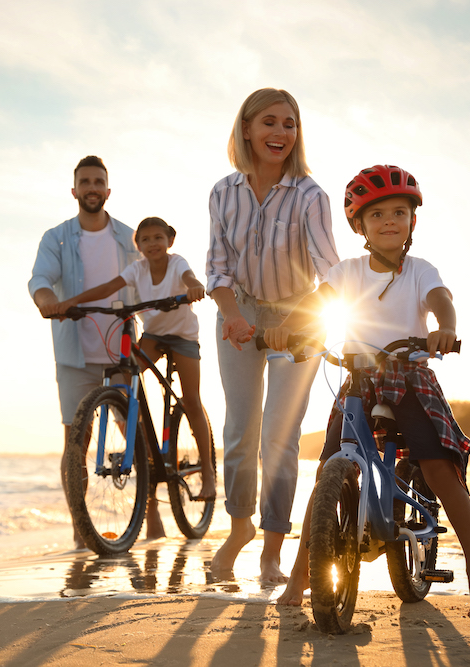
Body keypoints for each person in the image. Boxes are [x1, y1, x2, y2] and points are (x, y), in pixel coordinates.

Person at [262, 164, 470, 617]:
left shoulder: (420, 270)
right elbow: (316, 303)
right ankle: (300, 572)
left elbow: (439, 299)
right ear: (360, 226)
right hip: (359, 379)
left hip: (409, 377)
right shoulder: (347, 271)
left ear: (412, 221)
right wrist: (287, 328)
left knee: (437, 466)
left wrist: (445, 328)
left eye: (398, 212)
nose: (389, 221)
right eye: (376, 215)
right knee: (330, 467)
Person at [206, 88, 340, 583]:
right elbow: (217, 266)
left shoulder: (311, 195)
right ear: (246, 129)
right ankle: (239, 529)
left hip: (301, 312)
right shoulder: (222, 192)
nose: (280, 132)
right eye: (269, 122)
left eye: (289, 124)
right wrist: (231, 315)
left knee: (279, 437)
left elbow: (331, 274)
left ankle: (271, 551)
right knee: (241, 431)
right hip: (236, 307)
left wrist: (292, 323)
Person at [29, 156, 165, 546]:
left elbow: (151, 280)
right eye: (84, 182)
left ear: (108, 191)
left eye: (98, 182)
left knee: (134, 433)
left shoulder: (128, 237)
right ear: (74, 191)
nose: (91, 188)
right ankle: (80, 528)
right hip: (75, 352)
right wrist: (46, 301)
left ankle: (151, 514)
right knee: (77, 442)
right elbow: (41, 279)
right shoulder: (55, 238)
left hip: (122, 346)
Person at [51, 216, 216, 502]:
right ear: (137, 245)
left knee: (191, 399)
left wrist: (194, 288)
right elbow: (107, 288)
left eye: (158, 238)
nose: (152, 243)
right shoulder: (136, 269)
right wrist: (72, 303)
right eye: (146, 239)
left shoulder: (177, 263)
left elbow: (190, 279)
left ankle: (210, 475)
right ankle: (145, 449)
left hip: (183, 337)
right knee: (125, 377)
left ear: (170, 241)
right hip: (153, 337)